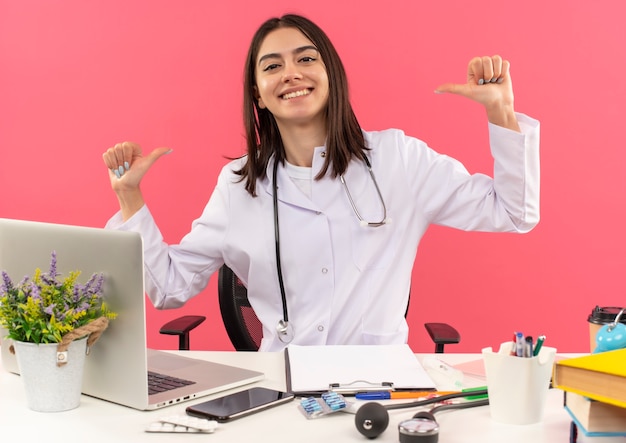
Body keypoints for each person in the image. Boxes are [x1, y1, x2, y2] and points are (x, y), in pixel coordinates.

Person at [102, 14, 540, 352]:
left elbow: (514, 212)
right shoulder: (238, 186)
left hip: (380, 388)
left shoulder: (399, 159)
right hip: (284, 389)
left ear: (330, 73)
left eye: (306, 59)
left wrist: (500, 112)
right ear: (258, 92)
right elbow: (170, 288)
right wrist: (129, 196)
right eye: (272, 66)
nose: (291, 74)